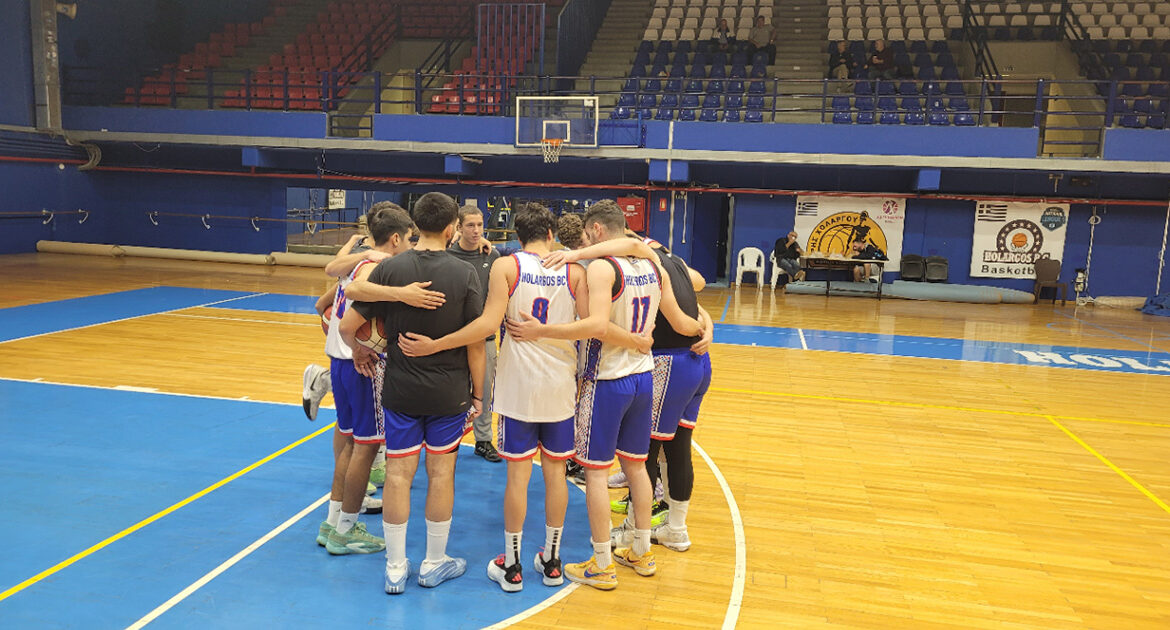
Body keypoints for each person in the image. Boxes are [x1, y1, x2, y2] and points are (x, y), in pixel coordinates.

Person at [398, 203, 650, 592]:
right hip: (561, 386)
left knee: (517, 477)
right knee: (556, 475)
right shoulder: (575, 271)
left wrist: (436, 345)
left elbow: (486, 325)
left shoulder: (507, 266)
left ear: (518, 235)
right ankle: (552, 561)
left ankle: (512, 565)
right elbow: (590, 329)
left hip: (517, 388)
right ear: (551, 233)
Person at [505, 200, 703, 591]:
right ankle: (641, 552)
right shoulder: (652, 264)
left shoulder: (600, 268)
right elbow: (681, 314)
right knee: (637, 467)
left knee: (596, 473)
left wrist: (542, 331)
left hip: (607, 379)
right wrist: (705, 327)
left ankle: (601, 563)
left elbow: (595, 326)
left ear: (595, 230)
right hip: (644, 376)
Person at [341, 191, 486, 594]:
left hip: (401, 389)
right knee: (441, 474)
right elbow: (476, 343)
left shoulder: (390, 268)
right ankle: (434, 563)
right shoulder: (465, 273)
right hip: (448, 392)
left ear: (416, 225)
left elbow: (347, 325)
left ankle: (394, 567)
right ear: (452, 228)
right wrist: (478, 396)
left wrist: (359, 350)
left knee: (398, 475)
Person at [543, 233, 714, 553]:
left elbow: (605, 323)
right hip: (694, 363)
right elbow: (697, 289)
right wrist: (705, 326)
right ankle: (673, 528)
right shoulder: (671, 264)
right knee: (676, 447)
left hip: (661, 364)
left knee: (643, 455)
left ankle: (636, 532)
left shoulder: (639, 264)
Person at [317, 204, 415, 555]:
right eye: (409, 239)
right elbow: (355, 300)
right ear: (395, 238)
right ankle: (345, 530)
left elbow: (324, 299)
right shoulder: (378, 267)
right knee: (366, 447)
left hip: (340, 362)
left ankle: (332, 522)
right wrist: (359, 346)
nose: (411, 245)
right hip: (364, 365)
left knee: (350, 445)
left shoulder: (357, 262)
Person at [446, 205, 503, 464]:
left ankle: (483, 440)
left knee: (484, 390)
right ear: (458, 228)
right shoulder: (447, 255)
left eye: (480, 225)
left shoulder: (492, 255)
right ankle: (449, 437)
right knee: (454, 388)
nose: (476, 230)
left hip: (484, 337)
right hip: (454, 336)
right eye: (470, 225)